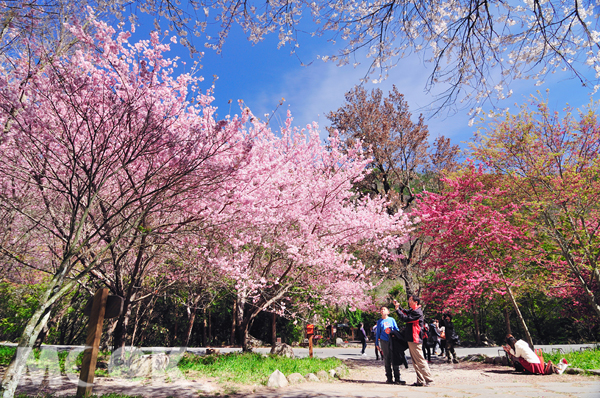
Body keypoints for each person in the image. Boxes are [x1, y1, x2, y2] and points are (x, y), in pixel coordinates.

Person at [394, 296, 434, 387]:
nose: (409, 301)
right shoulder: (413, 310)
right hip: (411, 339)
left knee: (420, 360)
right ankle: (420, 380)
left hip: (415, 339)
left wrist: (397, 310)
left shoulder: (417, 312)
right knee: (415, 361)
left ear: (416, 302)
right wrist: (398, 307)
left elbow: (405, 318)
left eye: (410, 300)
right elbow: (405, 312)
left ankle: (430, 380)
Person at [503, 334, 569, 375]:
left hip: (532, 364)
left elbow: (517, 356)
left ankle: (528, 370)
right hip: (536, 361)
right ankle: (556, 369)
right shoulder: (521, 342)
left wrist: (509, 350)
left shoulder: (517, 346)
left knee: (519, 359)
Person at [375, 306, 404, 384]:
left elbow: (396, 329)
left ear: (388, 312)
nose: (382, 310)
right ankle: (389, 378)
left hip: (392, 341)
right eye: (381, 309)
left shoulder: (392, 320)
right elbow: (377, 333)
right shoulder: (379, 321)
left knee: (394, 358)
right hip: (384, 341)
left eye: (384, 309)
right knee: (387, 359)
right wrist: (377, 343)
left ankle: (397, 378)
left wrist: (395, 336)